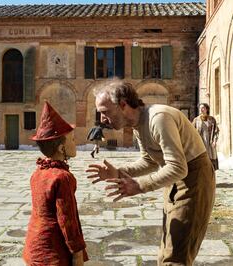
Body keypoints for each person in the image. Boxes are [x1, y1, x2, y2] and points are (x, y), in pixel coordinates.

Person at [86, 80, 216, 266]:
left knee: (175, 256)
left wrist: (140, 186)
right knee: (166, 250)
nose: (102, 119)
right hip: (175, 179)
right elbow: (149, 161)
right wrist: (119, 172)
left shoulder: (158, 118)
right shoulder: (139, 124)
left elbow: (179, 167)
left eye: (105, 112)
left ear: (123, 104)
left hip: (195, 180)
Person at [23, 101, 88, 266]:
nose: (75, 143)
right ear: (61, 148)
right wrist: (78, 255)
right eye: (72, 140)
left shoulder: (38, 173)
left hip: (34, 245)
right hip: (53, 251)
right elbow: (67, 220)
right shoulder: (62, 177)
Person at [192, 103, 220, 170]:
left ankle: (211, 174)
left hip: (209, 143)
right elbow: (192, 131)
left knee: (210, 159)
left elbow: (216, 131)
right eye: (200, 108)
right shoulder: (196, 120)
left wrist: (214, 141)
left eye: (203, 108)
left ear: (206, 109)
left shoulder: (212, 119)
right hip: (200, 142)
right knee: (201, 159)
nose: (201, 109)